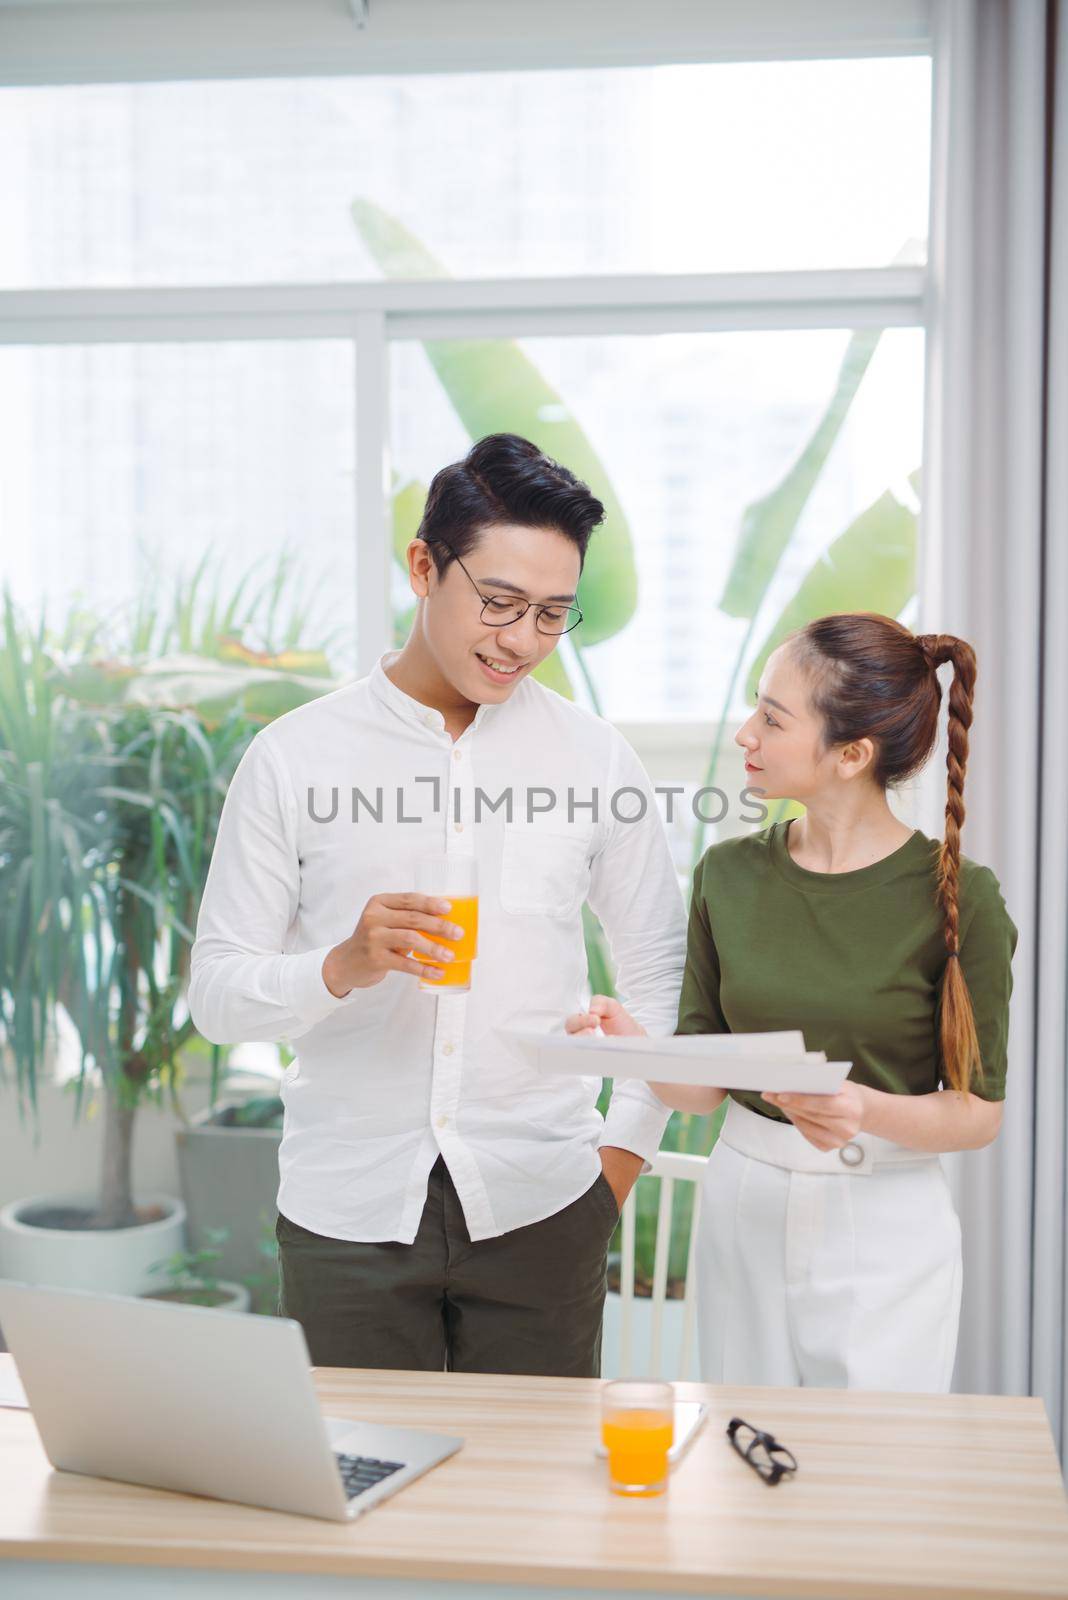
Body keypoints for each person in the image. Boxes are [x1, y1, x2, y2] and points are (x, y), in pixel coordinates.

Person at [189, 433, 686, 1377]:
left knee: (536, 1508)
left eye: (552, 614)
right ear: (424, 566)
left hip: (544, 1201)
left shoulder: (593, 759)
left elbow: (660, 971)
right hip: (348, 1218)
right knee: (363, 1495)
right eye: (498, 603)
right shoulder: (294, 758)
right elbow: (217, 995)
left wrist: (618, 1158)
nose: (521, 643)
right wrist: (343, 964)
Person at [567, 613, 1017, 1391]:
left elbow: (977, 1114)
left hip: (886, 1221)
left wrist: (861, 1109)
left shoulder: (961, 898)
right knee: (748, 1455)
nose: (746, 734)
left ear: (852, 754)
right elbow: (702, 1090)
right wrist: (633, 1042)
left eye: (772, 719)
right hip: (743, 1201)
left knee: (870, 1475)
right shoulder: (728, 875)